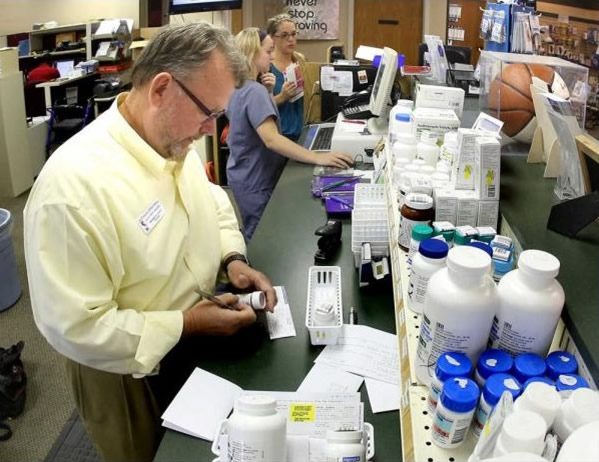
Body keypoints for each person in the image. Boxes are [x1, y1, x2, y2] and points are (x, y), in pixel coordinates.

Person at [24, 23, 277, 462]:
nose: (210, 129)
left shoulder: (172, 137)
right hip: (124, 371)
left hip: (193, 331)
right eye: (208, 114)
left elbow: (211, 202)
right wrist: (187, 324)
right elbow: (79, 329)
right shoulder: (71, 191)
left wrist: (231, 257)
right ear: (162, 88)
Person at [227, 28, 353, 240]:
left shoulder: (241, 87)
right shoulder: (254, 91)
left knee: (256, 229)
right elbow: (271, 139)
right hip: (257, 179)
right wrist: (317, 157)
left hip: (244, 175)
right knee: (261, 236)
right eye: (268, 51)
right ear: (252, 54)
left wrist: (268, 91)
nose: (273, 56)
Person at [266, 14, 304, 141]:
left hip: (301, 133)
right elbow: (259, 108)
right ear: (272, 38)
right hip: (279, 137)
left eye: (293, 34)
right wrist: (282, 97)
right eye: (284, 35)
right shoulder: (266, 67)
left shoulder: (300, 61)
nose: (291, 39)